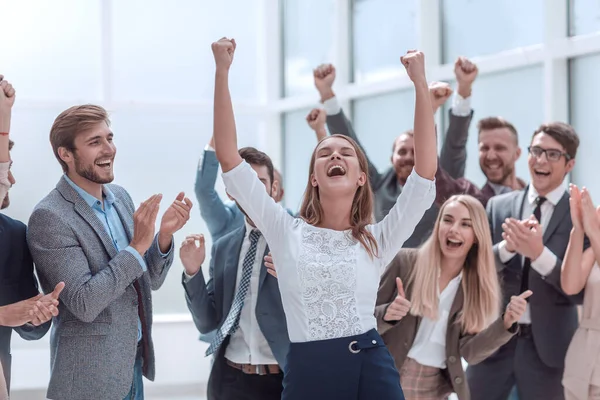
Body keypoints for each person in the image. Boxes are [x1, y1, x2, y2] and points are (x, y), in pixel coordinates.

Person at [211, 36, 436, 399]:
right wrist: (222, 72)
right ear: (314, 177)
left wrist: (420, 84)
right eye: (325, 152)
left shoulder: (377, 238)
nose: (336, 156)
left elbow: (425, 174)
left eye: (346, 152)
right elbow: (229, 159)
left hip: (371, 366)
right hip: (308, 371)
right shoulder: (285, 231)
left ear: (361, 176)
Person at [27, 104, 192, 400]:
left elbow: (147, 281)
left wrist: (164, 236)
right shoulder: (50, 217)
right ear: (66, 154)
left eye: (109, 138)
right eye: (95, 142)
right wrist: (138, 245)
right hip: (88, 381)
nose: (109, 149)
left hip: (131, 365)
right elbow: (84, 302)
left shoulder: (121, 199)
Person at [467, 122, 584, 400]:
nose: (541, 160)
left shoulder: (580, 214)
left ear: (569, 164)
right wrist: (508, 248)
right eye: (537, 151)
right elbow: (476, 269)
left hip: (549, 350)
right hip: (492, 343)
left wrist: (538, 254)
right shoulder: (498, 206)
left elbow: (579, 292)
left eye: (553, 154)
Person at [310, 58, 476, 249]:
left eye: (415, 151)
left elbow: (456, 145)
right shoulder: (380, 185)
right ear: (392, 158)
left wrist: (464, 88)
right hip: (387, 272)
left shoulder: (443, 181)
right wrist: (326, 93)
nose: (408, 157)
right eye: (402, 151)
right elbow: (351, 144)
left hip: (430, 272)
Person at [376, 194, 530, 400]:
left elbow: (470, 353)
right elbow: (362, 323)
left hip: (433, 390)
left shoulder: (475, 288)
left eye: (465, 224)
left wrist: (506, 324)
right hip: (385, 379)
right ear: (438, 225)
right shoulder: (404, 263)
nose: (454, 229)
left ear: (476, 236)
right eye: (447, 220)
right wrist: (387, 314)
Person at [182, 147, 288, 400]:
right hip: (230, 380)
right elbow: (208, 321)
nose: (251, 190)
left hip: (284, 380)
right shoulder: (222, 248)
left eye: (259, 182)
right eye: (244, 183)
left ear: (274, 189)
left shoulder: (296, 240)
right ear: (231, 191)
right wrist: (192, 272)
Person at [0, 76, 64, 396]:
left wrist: (36, 317)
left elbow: (30, 328)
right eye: (3, 166)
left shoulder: (15, 235)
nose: (11, 178)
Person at [560, 185, 600, 400]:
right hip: (582, 358)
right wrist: (578, 229)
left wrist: (594, 231)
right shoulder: (595, 243)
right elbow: (570, 285)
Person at [435, 117, 526, 208]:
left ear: (517, 154)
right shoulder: (474, 201)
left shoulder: (532, 195)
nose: (491, 156)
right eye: (484, 148)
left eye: (499, 148)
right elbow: (441, 183)